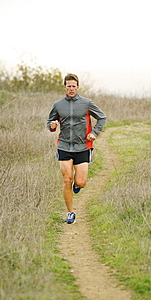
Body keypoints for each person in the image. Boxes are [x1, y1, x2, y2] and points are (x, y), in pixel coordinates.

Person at [47, 73, 107, 224]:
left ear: (78, 87)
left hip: (83, 146)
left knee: (81, 182)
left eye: (74, 86)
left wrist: (94, 132)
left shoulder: (87, 103)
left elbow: (102, 117)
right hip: (64, 146)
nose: (71, 88)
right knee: (67, 180)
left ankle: (77, 186)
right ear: (65, 87)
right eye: (69, 86)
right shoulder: (58, 104)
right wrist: (52, 126)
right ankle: (70, 213)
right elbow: (50, 121)